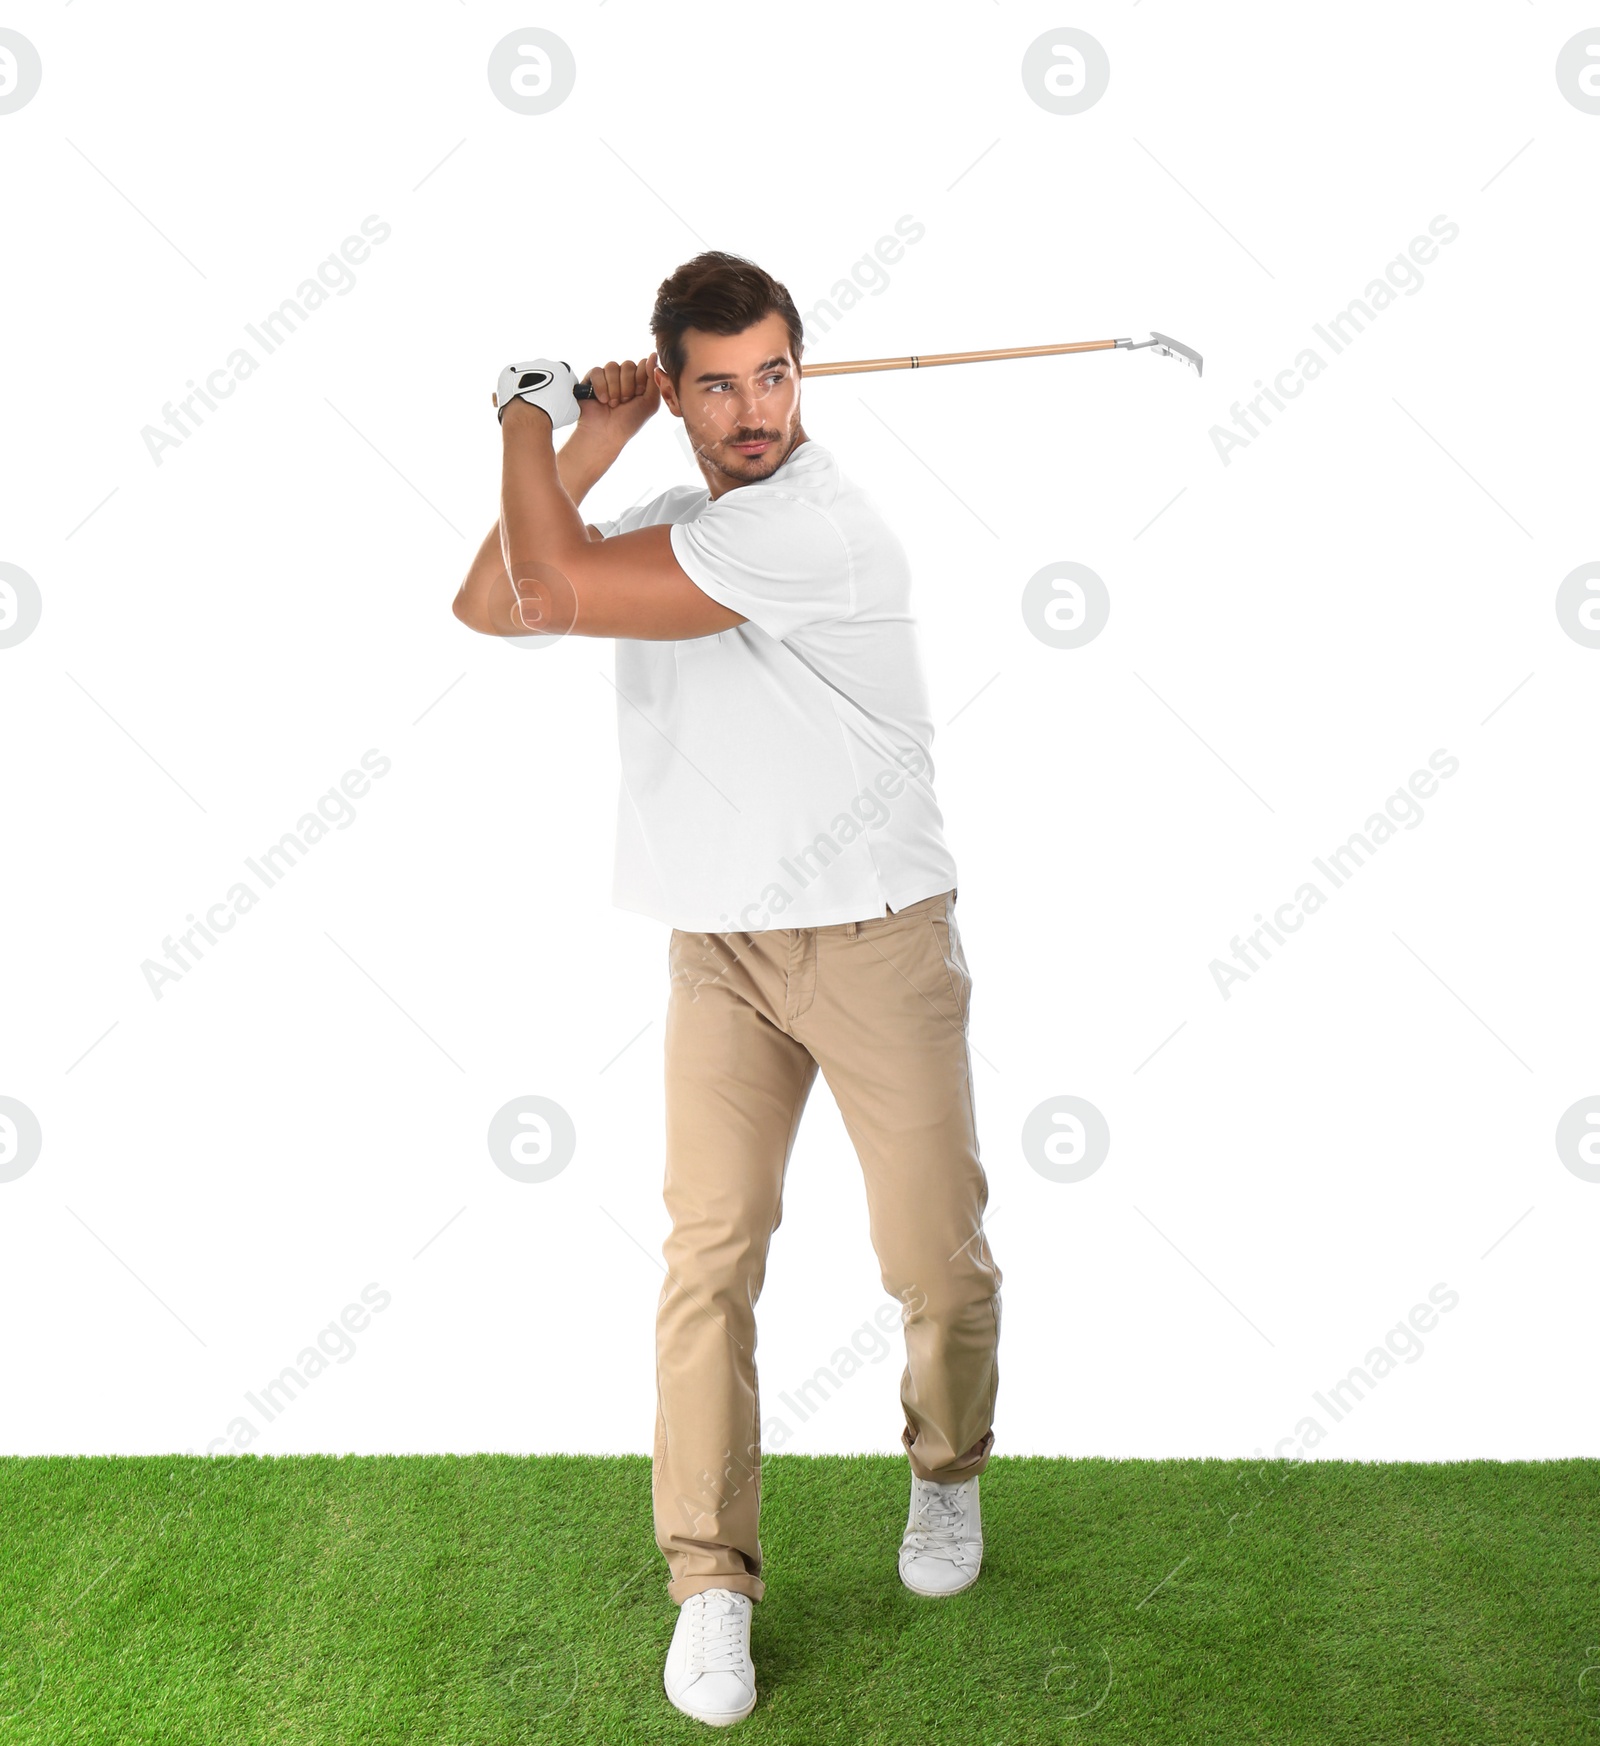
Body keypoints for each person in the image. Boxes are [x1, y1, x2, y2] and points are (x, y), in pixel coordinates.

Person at [452, 251, 1002, 1729]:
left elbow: (548, 582)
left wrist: (523, 410)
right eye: (719, 383)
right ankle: (711, 1583)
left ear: (799, 372)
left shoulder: (819, 533)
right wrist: (592, 434)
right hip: (722, 953)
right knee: (711, 1257)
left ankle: (946, 1475)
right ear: (679, 387)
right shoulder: (690, 518)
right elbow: (495, 602)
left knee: (934, 1261)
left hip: (880, 933)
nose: (755, 408)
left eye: (774, 373)